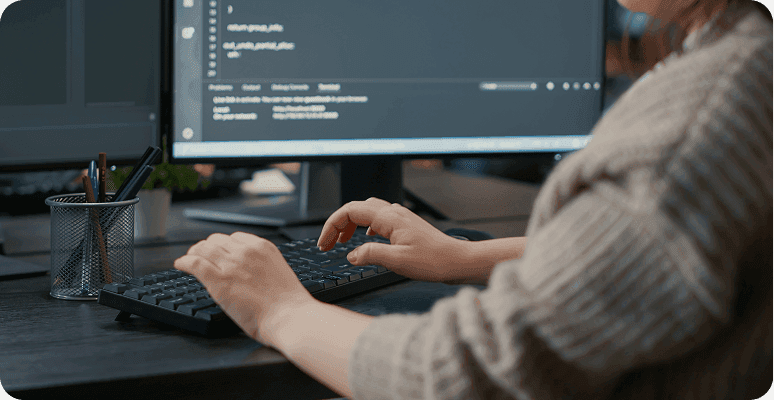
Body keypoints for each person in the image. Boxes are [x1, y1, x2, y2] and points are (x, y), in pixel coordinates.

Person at [173, 0, 773, 398]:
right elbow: (659, 255)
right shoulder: (741, 59)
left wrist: (283, 312)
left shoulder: (703, 117)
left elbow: (467, 375)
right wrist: (462, 259)